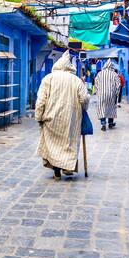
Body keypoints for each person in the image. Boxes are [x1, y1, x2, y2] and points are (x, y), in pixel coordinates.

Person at [35, 51, 90, 180]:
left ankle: (57, 171)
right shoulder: (76, 80)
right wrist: (84, 108)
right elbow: (84, 99)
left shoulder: (48, 78)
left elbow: (41, 100)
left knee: (53, 144)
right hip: (70, 120)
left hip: (51, 118)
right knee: (68, 144)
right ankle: (67, 167)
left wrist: (39, 116)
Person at [95, 60, 120, 131]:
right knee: (111, 108)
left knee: (102, 108)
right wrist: (116, 94)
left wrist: (98, 92)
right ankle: (110, 123)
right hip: (111, 94)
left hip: (101, 94)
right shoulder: (114, 74)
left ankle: (103, 123)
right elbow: (118, 85)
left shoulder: (99, 74)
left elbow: (96, 83)